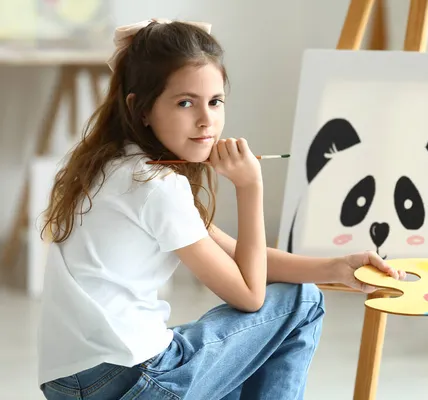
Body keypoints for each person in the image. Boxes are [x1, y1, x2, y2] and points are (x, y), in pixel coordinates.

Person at [36, 18, 405, 400]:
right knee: (303, 302)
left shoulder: (113, 166)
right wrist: (250, 187)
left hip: (71, 384)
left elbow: (236, 255)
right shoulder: (156, 186)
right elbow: (250, 294)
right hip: (130, 380)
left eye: (215, 102)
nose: (206, 120)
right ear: (141, 109)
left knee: (251, 351)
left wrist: (335, 267)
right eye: (185, 103)